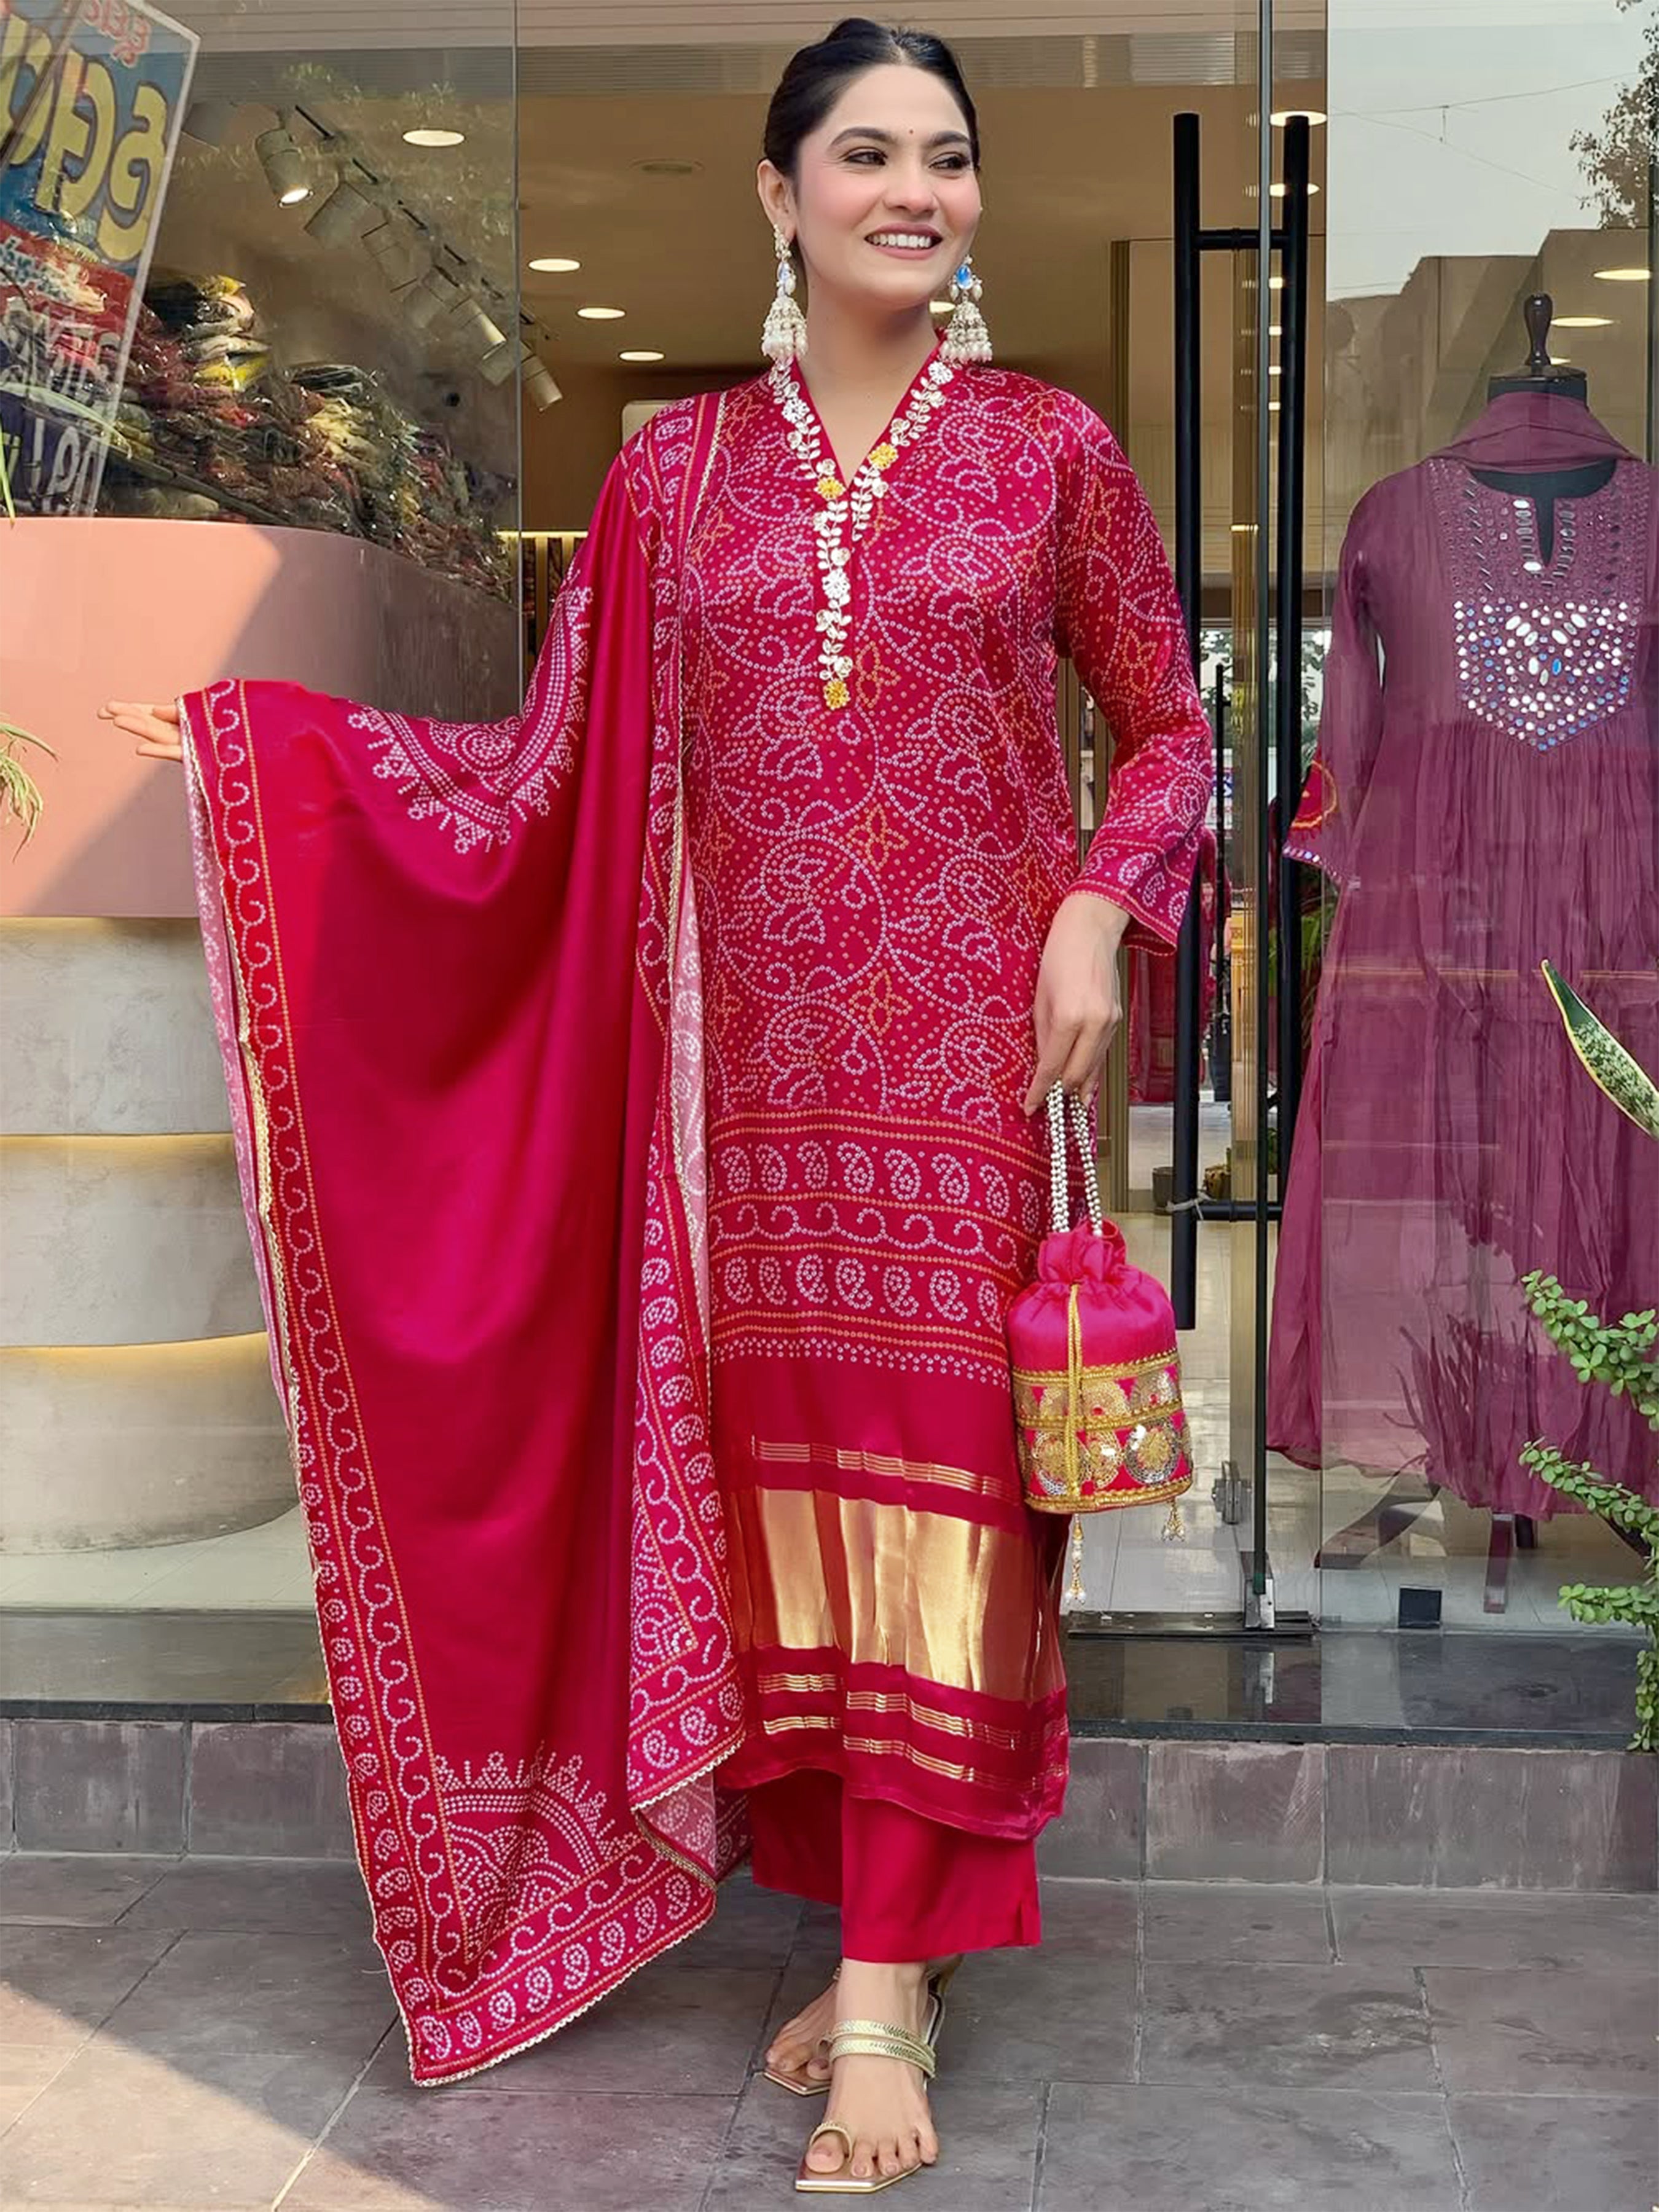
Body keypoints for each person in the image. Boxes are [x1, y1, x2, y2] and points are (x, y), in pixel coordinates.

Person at [103, 19, 1210, 2196]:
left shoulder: (1050, 450)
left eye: (951, 158)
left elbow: (1167, 728)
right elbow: (546, 778)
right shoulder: (667, 478)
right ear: (779, 196)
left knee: (950, 1525)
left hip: (965, 1085)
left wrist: (1097, 903)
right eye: (869, 155)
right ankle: (892, 1924)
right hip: (738, 1108)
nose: (919, 191)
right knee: (791, 1537)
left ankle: (885, 1983)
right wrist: (273, 760)